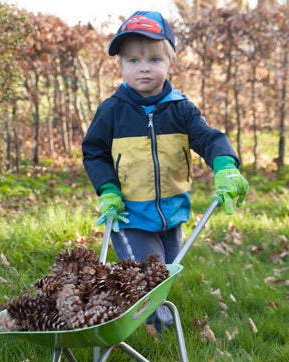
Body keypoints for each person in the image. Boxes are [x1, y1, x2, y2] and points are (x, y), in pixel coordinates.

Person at [82, 11, 249, 332]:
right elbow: (94, 152)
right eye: (133, 60)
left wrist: (225, 165)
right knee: (149, 275)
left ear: (170, 62)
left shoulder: (181, 108)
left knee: (166, 273)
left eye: (154, 59)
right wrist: (108, 191)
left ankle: (151, 318)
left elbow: (209, 138)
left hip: (172, 214)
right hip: (129, 214)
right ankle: (155, 330)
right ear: (120, 66)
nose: (144, 67)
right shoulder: (111, 111)